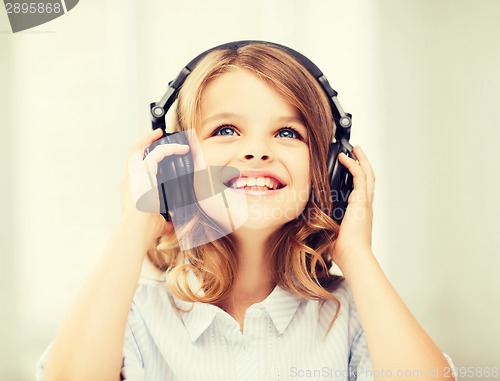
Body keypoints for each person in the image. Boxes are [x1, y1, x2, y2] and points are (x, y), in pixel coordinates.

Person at [37, 42, 455, 381]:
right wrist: (137, 222)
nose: (256, 150)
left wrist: (357, 256)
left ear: (327, 168)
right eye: (225, 130)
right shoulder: (133, 315)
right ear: (177, 166)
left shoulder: (354, 316)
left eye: (287, 132)